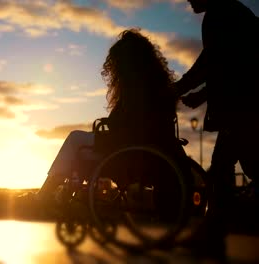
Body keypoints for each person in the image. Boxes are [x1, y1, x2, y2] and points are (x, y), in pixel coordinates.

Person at [24, 28, 178, 206]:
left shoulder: (136, 88)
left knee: (76, 139)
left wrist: (110, 125)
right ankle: (58, 195)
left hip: (127, 150)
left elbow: (125, 124)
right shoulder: (154, 84)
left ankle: (46, 195)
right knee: (82, 144)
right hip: (141, 150)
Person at [175, 0, 259, 259]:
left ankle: (213, 232)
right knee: (247, 165)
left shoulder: (220, 15)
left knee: (222, 166)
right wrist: (199, 93)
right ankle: (214, 231)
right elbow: (227, 64)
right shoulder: (231, 12)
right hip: (246, 103)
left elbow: (216, 63)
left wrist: (179, 89)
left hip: (245, 105)